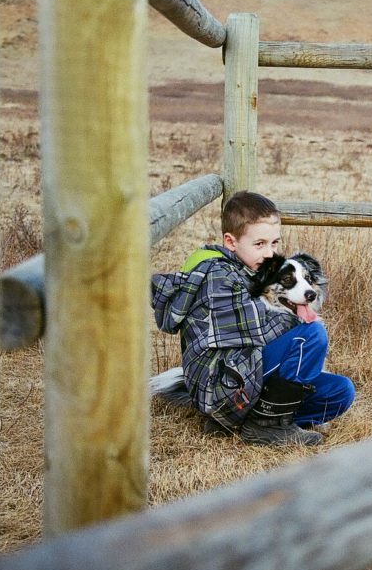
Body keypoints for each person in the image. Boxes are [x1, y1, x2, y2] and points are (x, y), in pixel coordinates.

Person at [150, 191, 354, 446]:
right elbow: (261, 328)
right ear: (231, 242)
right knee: (311, 335)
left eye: (274, 244)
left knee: (341, 391)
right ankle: (265, 427)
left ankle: (252, 422)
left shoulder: (249, 269)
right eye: (260, 244)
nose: (270, 254)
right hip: (221, 389)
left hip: (244, 378)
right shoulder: (219, 276)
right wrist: (303, 319)